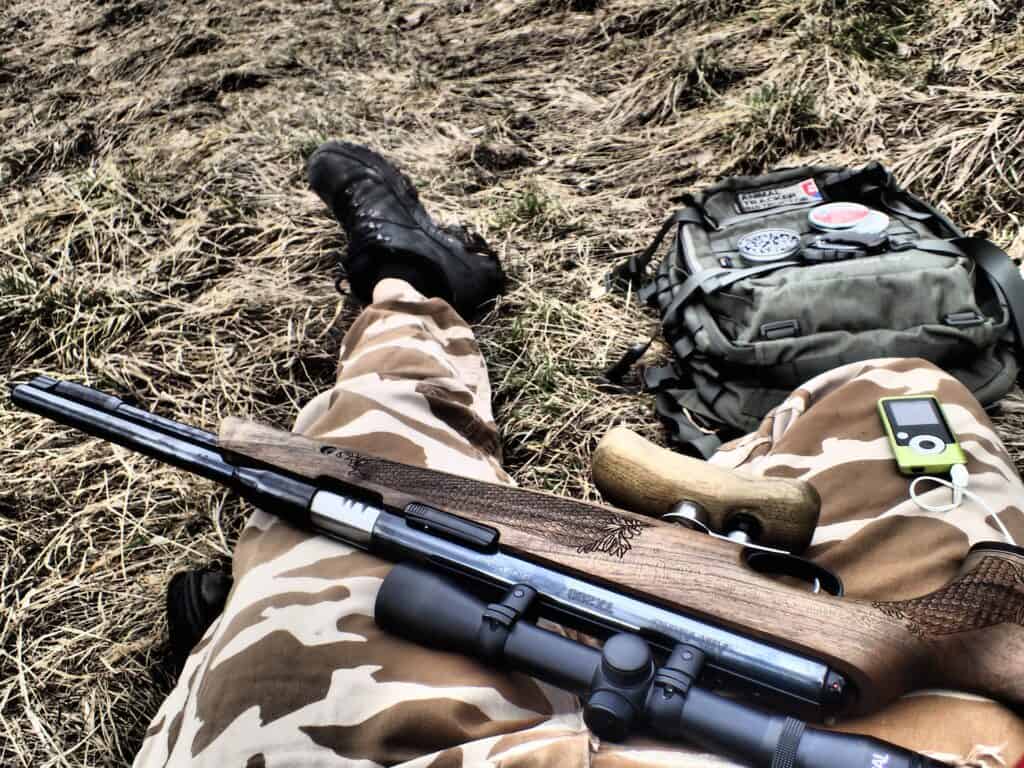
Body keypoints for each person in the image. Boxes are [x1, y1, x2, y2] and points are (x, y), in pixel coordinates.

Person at [136, 142, 1024, 768]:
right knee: (900, 395)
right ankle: (739, 476)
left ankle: (409, 287)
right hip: (930, 730)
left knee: (353, 475)